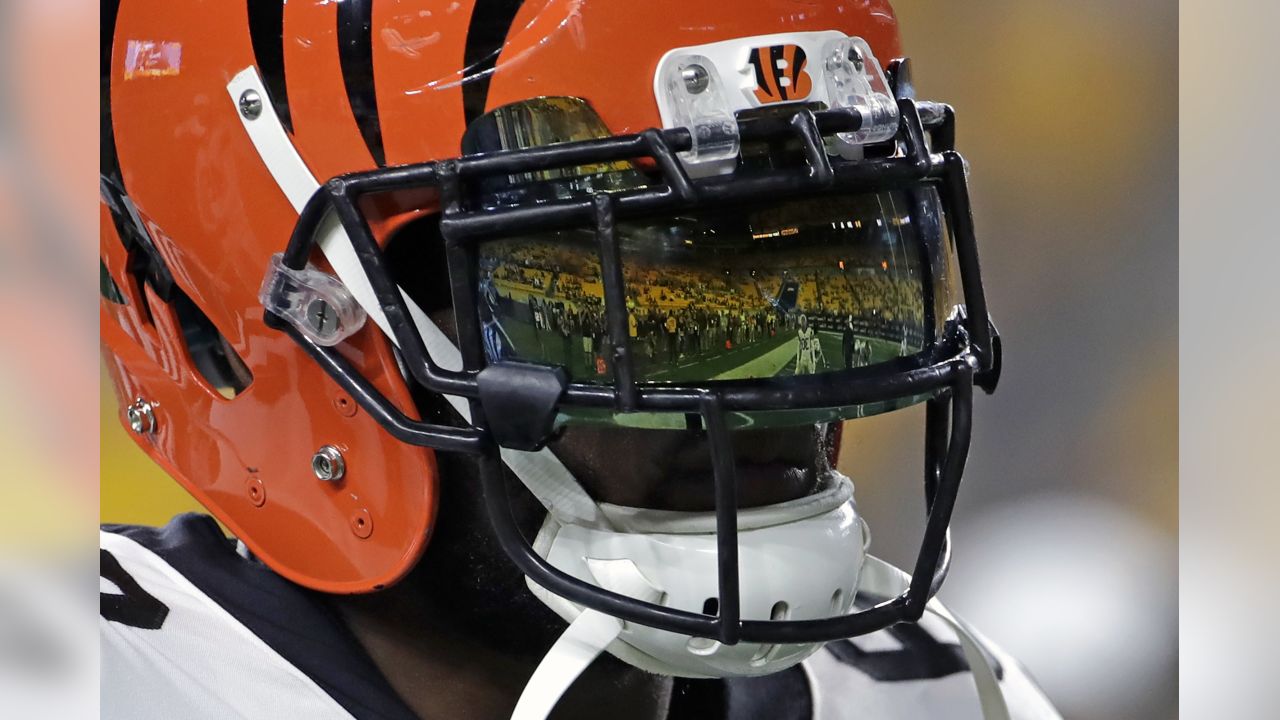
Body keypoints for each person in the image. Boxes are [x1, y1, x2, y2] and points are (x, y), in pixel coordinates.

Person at [101, 2, 1051, 718]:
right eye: (618, 301)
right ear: (296, 319)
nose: (778, 398)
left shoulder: (928, 695)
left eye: (818, 263)